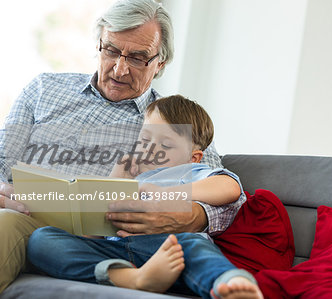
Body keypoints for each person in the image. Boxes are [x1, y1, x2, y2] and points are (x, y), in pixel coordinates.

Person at [0, 0, 245, 292]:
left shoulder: (171, 120)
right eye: (112, 51)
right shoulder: (43, 89)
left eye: (138, 57)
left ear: (160, 63)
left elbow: (230, 197)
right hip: (29, 220)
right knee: (16, 225)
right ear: (99, 45)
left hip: (112, 239)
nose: (119, 69)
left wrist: (190, 215)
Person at [27, 95, 263, 299]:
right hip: (116, 251)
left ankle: (229, 281)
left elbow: (229, 187)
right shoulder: (133, 178)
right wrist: (116, 177)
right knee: (42, 240)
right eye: (145, 139)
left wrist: (166, 194)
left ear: (194, 157)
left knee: (195, 244)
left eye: (166, 145)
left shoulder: (190, 172)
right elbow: (91, 232)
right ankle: (130, 278)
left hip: (171, 251)